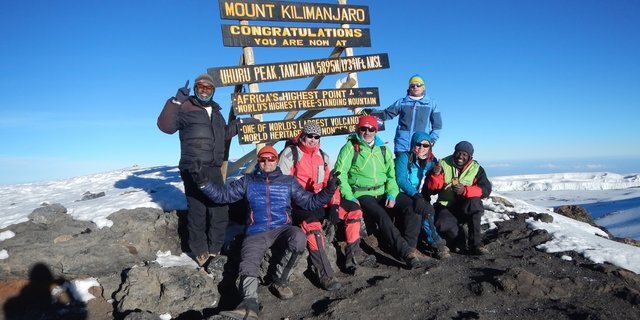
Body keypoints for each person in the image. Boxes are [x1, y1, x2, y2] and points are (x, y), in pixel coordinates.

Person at [195, 146, 339, 320]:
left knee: (299, 236)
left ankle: (280, 281)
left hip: (282, 229)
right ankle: (249, 303)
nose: (267, 162)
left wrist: (329, 189)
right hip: (257, 231)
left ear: (276, 161)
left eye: (271, 159)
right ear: (259, 162)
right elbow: (223, 196)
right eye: (263, 159)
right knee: (249, 258)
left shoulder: (288, 181)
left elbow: (309, 202)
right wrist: (203, 182)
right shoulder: (247, 181)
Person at [334, 115, 436, 269]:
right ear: (358, 129)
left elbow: (391, 175)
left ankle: (409, 248)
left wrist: (392, 193)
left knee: (412, 206)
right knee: (381, 215)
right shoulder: (350, 147)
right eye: (363, 128)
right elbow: (340, 173)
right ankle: (405, 252)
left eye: (371, 129)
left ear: (376, 130)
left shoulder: (383, 148)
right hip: (362, 193)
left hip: (383, 190)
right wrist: (349, 196)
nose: (367, 132)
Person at [157, 73, 233, 269]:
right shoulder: (185, 107)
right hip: (193, 168)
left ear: (213, 91)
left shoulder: (216, 112)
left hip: (214, 168)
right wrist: (174, 102)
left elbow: (222, 135)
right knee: (198, 210)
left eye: (208, 88)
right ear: (196, 89)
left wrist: (238, 126)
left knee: (220, 209)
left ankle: (215, 248)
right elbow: (165, 127)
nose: (204, 91)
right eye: (201, 87)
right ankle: (200, 251)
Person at [278, 122, 366, 289]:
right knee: (313, 228)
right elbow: (282, 186)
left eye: (316, 136)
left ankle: (351, 256)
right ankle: (325, 274)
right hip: (298, 204)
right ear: (303, 135)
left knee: (354, 211)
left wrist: (334, 204)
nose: (313, 139)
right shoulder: (290, 154)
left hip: (322, 199)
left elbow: (331, 184)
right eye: (310, 136)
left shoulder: (323, 156)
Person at [425, 141, 492, 255]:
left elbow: (486, 189)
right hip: (446, 206)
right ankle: (459, 240)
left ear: (470, 157)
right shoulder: (442, 164)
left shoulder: (476, 168)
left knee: (475, 203)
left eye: (465, 154)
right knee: (442, 223)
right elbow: (430, 190)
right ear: (454, 152)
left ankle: (476, 244)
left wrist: (465, 190)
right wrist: (436, 175)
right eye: (458, 153)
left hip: (466, 206)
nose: (460, 156)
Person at [394, 131, 449, 259]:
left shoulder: (431, 161)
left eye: (426, 145)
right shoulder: (404, 157)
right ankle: (436, 243)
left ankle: (431, 243)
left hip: (414, 194)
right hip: (399, 192)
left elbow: (434, 182)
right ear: (413, 144)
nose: (421, 148)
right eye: (418, 144)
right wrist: (416, 195)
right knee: (424, 209)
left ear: (430, 147)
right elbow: (401, 180)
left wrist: (436, 173)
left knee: (424, 208)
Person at [365, 74, 442, 155]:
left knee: (420, 167)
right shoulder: (402, 102)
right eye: (412, 85)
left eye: (418, 85)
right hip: (402, 146)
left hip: (421, 146)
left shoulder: (431, 104)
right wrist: (370, 112)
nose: (415, 87)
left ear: (423, 87)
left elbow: (437, 125)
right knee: (401, 167)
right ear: (409, 88)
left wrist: (432, 140)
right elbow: (387, 114)